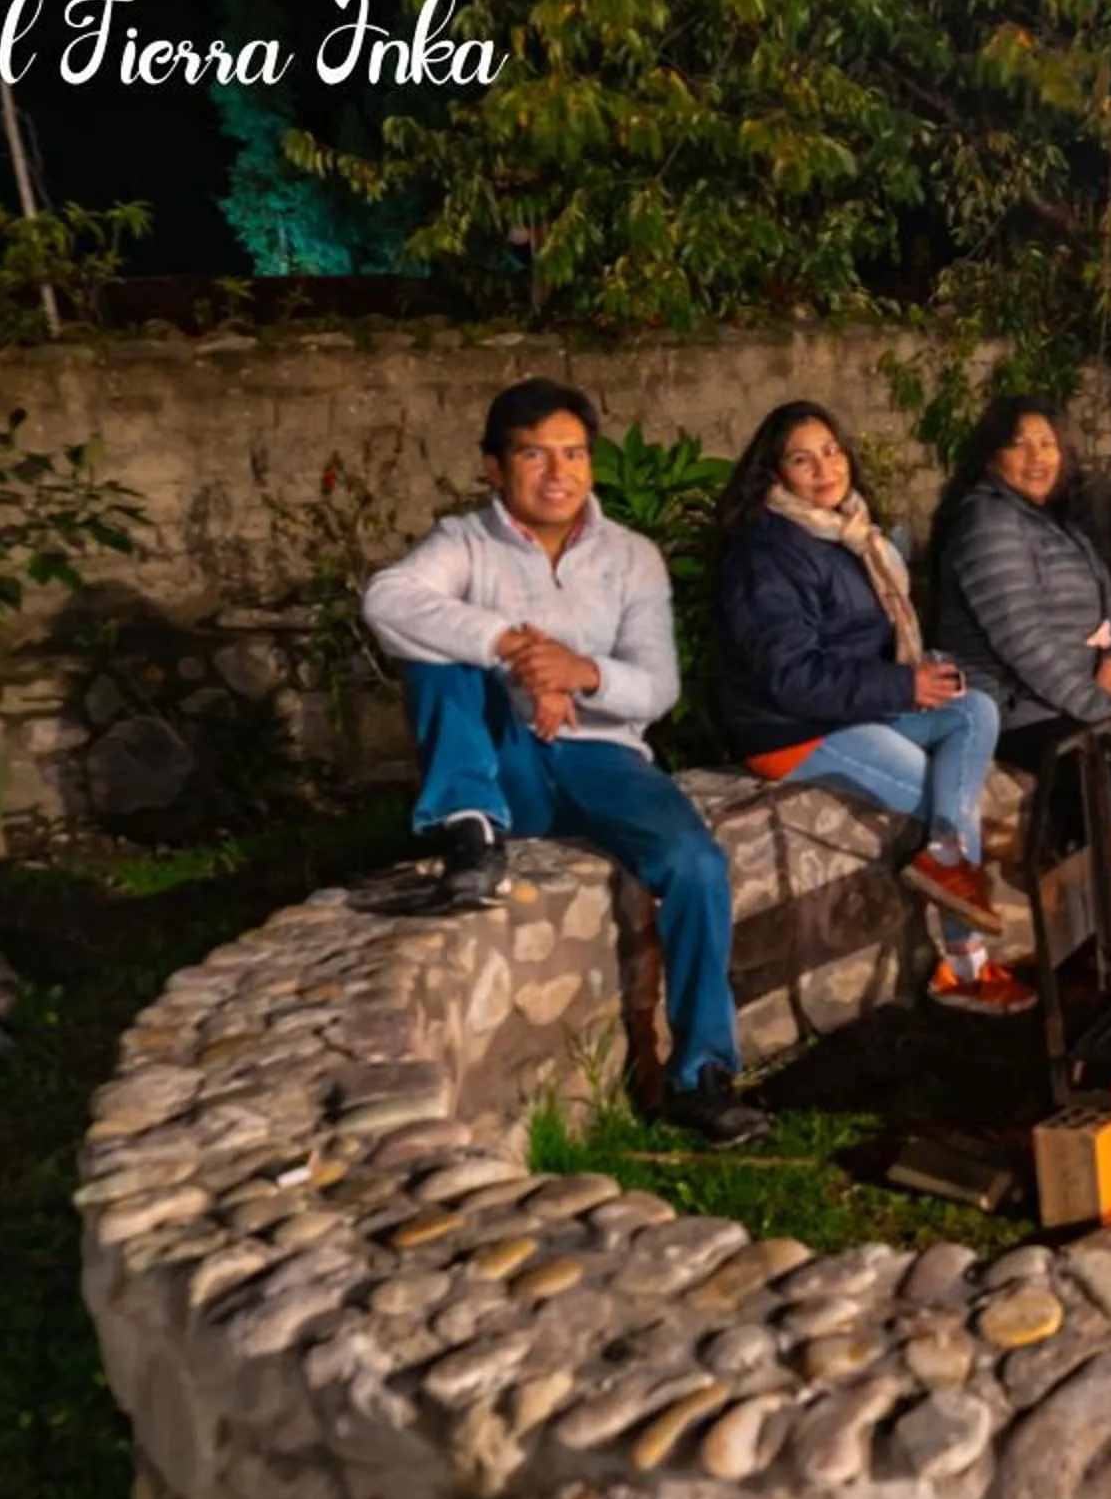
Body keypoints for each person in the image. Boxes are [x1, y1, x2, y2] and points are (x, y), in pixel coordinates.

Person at [362, 377, 770, 1145]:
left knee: (695, 865)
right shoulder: (463, 544)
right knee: (433, 647)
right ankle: (469, 825)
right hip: (503, 754)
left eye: (575, 453)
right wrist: (516, 651)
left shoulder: (631, 558)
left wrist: (580, 674)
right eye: (535, 454)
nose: (559, 472)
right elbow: (386, 600)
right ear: (493, 467)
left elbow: (658, 687)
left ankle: (702, 1076)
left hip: (602, 756)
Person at [709, 400, 1037, 1016]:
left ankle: (944, 856)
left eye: (831, 451)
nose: (824, 468)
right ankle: (963, 968)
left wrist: (916, 673)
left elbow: (860, 641)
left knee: (976, 709)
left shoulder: (847, 532)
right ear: (774, 475)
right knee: (939, 795)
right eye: (802, 459)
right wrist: (902, 687)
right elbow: (792, 677)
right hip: (791, 728)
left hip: (853, 703)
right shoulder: (767, 553)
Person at [931, 395, 1111, 836]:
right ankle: (1066, 872)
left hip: (1079, 689)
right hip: (1020, 708)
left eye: (1048, 443)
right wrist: (1106, 711)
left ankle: (1106, 756)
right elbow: (1024, 642)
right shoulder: (987, 524)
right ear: (990, 458)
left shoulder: (1056, 523)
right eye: (1020, 444)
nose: (1038, 457)